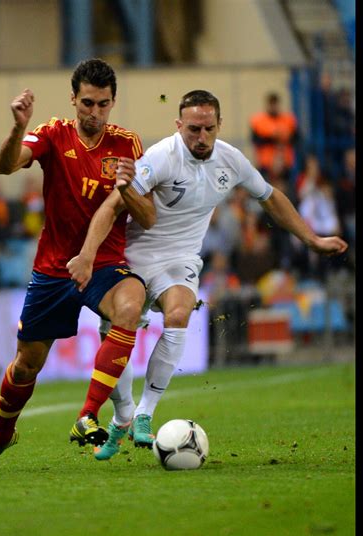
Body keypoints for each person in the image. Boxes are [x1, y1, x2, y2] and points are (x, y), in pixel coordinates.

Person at [67, 89, 348, 460]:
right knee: (118, 331)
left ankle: (145, 413)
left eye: (208, 129)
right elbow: (114, 203)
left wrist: (310, 238)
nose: (201, 137)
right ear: (179, 124)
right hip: (134, 256)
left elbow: (271, 197)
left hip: (181, 258)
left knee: (180, 313)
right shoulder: (161, 157)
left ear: (219, 126)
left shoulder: (231, 161)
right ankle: (122, 416)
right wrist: (87, 255)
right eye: (193, 129)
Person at [0, 58, 157, 471]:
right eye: (87, 103)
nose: (95, 113)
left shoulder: (128, 144)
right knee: (26, 366)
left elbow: (146, 215)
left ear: (112, 102)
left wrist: (128, 189)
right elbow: (5, 165)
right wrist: (18, 127)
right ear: (73, 98)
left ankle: (86, 415)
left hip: (104, 264)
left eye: (103, 104)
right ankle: (1, 436)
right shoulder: (53, 133)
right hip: (54, 269)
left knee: (130, 305)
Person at [249, 92, 299, 181]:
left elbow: (296, 138)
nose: (273, 107)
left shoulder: (288, 119)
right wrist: (272, 137)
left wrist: (282, 137)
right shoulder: (258, 120)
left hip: (285, 164)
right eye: (271, 104)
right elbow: (255, 140)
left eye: (275, 104)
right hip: (266, 164)